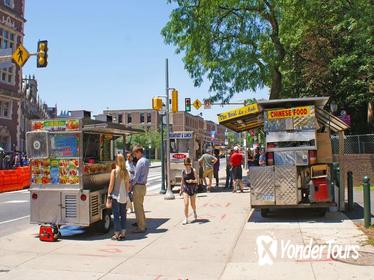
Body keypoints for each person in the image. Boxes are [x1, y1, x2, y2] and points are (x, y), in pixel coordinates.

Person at [107, 154, 130, 240]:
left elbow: (111, 185)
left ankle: (116, 233)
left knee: (116, 215)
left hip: (116, 196)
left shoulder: (114, 171)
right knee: (123, 214)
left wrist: (109, 196)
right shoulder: (126, 172)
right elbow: (128, 186)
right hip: (124, 196)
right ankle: (123, 233)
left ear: (116, 161)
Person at [131, 145, 150, 233]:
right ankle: (143, 224)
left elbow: (136, 177)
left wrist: (130, 185)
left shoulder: (140, 162)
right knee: (140, 206)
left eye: (135, 154)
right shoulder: (146, 161)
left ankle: (141, 227)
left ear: (138, 152)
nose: (135, 156)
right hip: (143, 186)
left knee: (137, 207)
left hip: (138, 186)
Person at [179, 157, 198, 225]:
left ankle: (194, 211)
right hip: (186, 188)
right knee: (186, 204)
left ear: (190, 164)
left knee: (193, 204)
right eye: (185, 164)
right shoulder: (183, 171)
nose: (186, 166)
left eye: (187, 164)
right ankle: (186, 218)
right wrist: (180, 189)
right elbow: (182, 181)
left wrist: (192, 181)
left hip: (192, 188)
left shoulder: (193, 170)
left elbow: (197, 180)